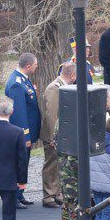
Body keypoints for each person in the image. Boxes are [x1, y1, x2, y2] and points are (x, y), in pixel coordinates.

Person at [5, 52, 41, 208]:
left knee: (23, 164)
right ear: (28, 66)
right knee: (18, 165)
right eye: (35, 65)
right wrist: (25, 136)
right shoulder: (16, 83)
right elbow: (19, 113)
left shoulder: (23, 80)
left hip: (26, 133)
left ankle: (19, 194)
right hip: (21, 134)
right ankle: (13, 197)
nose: (36, 67)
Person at [40, 61, 76, 208]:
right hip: (53, 136)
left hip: (61, 135)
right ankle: (49, 195)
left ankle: (56, 193)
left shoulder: (62, 87)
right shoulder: (55, 88)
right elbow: (52, 115)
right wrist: (52, 138)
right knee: (51, 164)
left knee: (58, 165)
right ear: (72, 75)